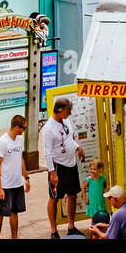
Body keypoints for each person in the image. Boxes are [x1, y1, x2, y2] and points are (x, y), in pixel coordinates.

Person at [41, 97, 85, 238]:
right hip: (58, 166)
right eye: (68, 111)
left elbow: (69, 137)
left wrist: (77, 147)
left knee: (72, 195)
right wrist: (52, 173)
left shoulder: (66, 120)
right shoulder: (48, 129)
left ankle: (71, 226)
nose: (70, 113)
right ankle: (54, 231)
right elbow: (47, 152)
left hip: (71, 163)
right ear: (60, 110)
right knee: (54, 198)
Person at [0, 114, 30, 239]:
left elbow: (20, 159)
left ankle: (15, 237)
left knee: (15, 212)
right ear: (16, 128)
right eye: (23, 128)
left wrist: (26, 177)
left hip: (17, 184)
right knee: (1, 213)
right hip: (6, 185)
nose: (24, 131)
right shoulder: (2, 142)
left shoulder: (19, 140)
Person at [83, 159, 109, 234]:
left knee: (102, 217)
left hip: (101, 201)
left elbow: (106, 187)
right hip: (93, 202)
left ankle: (101, 232)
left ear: (100, 169)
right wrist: (85, 198)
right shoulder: (89, 180)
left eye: (94, 169)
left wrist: (107, 192)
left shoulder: (103, 179)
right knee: (94, 219)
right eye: (91, 169)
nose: (92, 171)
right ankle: (93, 233)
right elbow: (83, 188)